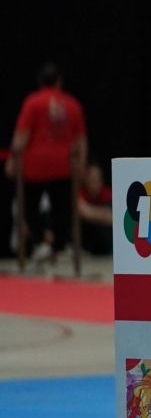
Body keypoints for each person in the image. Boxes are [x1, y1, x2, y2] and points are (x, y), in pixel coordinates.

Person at [7, 62, 87, 266]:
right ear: (59, 81)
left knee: (28, 206)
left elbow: (21, 136)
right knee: (63, 209)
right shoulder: (72, 104)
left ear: (40, 82)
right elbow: (80, 140)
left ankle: (42, 242)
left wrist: (12, 161)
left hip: (36, 165)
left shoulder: (33, 103)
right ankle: (58, 246)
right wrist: (81, 166)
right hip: (63, 165)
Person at [77, 163, 112, 257]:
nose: (95, 183)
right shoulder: (80, 193)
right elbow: (83, 212)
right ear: (86, 179)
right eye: (92, 179)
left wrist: (92, 212)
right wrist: (103, 214)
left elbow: (114, 217)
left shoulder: (107, 193)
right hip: (86, 241)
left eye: (97, 179)